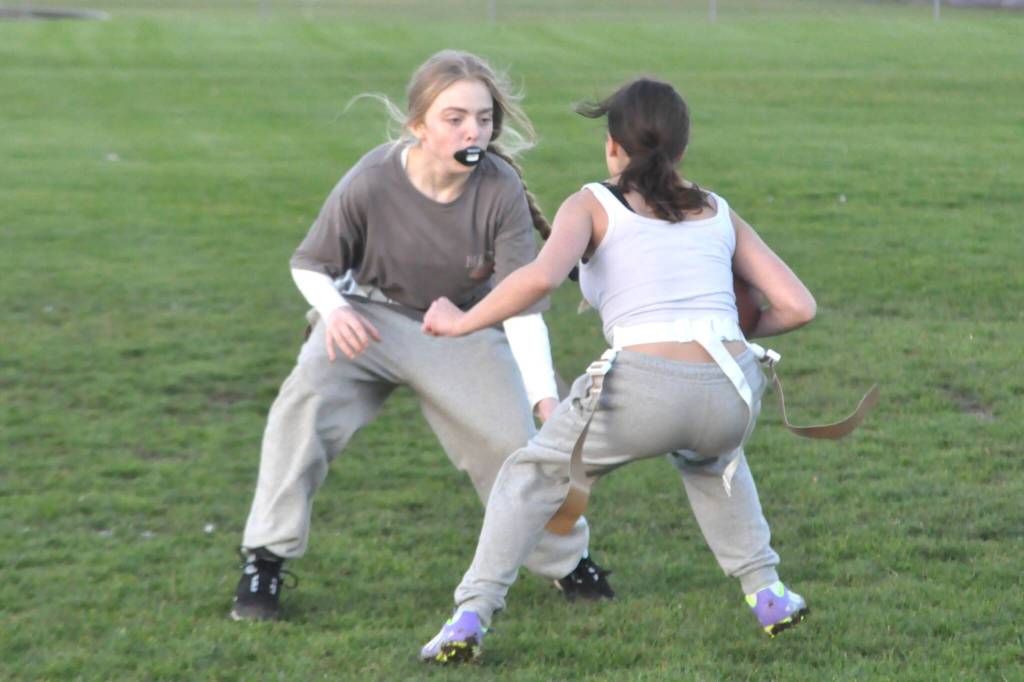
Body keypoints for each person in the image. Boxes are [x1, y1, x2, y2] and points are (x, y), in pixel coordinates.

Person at [418, 77, 817, 663]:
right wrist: (721, 333)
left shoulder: (590, 201)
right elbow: (798, 306)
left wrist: (461, 320)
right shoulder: (717, 210)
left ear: (612, 146)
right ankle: (769, 594)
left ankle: (469, 616)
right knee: (716, 463)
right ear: (682, 149)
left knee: (530, 474)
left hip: (642, 389)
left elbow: (539, 278)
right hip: (731, 388)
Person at [230, 50, 615, 622]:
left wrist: (542, 395)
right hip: (367, 322)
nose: (473, 130)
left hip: (459, 325)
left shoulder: (499, 186)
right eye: (454, 118)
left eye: (483, 118)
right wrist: (335, 312)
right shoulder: (373, 177)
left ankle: (566, 562)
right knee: (301, 407)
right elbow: (309, 264)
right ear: (419, 125)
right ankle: (264, 560)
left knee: (513, 442)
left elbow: (521, 305)